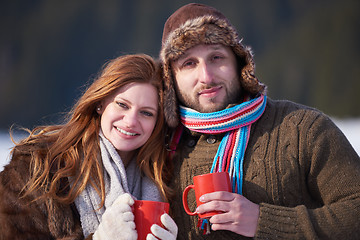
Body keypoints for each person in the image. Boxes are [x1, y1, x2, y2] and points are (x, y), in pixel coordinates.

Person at [159, 3, 360, 239]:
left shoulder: (302, 128)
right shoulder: (159, 147)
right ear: (171, 78)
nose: (206, 77)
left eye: (216, 57)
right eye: (189, 63)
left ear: (239, 62)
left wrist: (264, 222)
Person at [0, 54, 178, 240]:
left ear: (157, 122)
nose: (131, 121)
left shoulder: (163, 181)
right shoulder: (36, 168)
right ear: (100, 103)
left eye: (146, 113)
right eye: (122, 105)